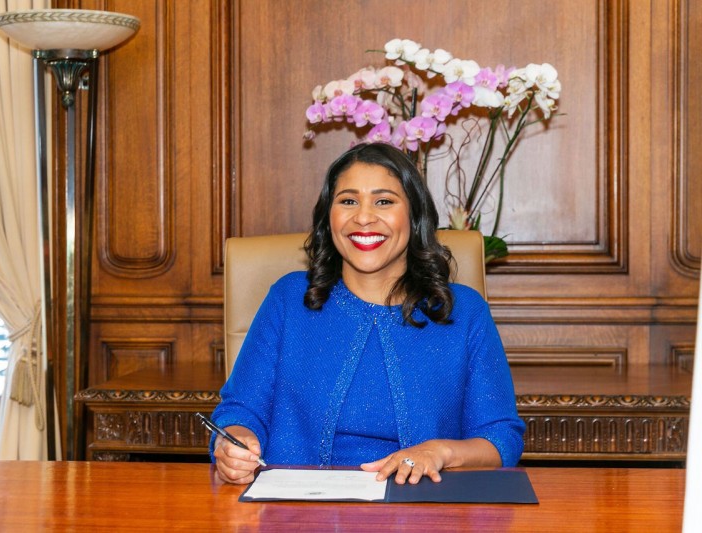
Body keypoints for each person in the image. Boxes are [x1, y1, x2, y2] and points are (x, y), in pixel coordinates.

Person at [211, 142, 524, 485]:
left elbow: (500, 438)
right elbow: (240, 411)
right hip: (297, 504)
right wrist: (234, 444)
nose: (363, 217)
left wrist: (441, 452)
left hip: (420, 505)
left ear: (414, 215)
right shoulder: (288, 299)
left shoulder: (464, 312)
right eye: (348, 201)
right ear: (328, 217)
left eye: (384, 201)